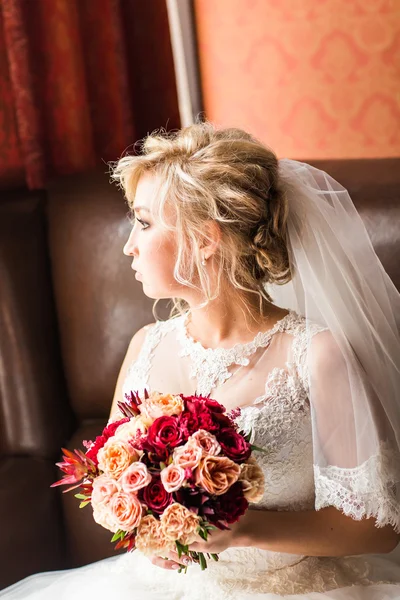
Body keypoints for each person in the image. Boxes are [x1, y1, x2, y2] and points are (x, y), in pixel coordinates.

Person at [1, 121, 400, 600]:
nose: (129, 244)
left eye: (144, 223)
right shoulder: (145, 346)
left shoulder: (316, 355)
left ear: (206, 239)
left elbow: (376, 528)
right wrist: (147, 530)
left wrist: (247, 529)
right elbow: (106, 483)